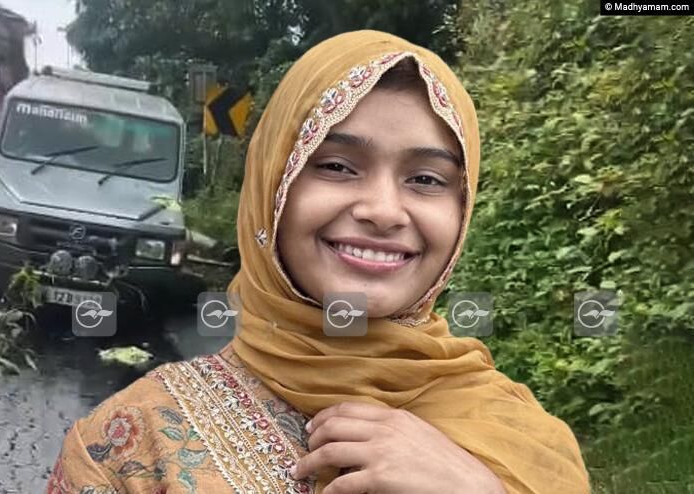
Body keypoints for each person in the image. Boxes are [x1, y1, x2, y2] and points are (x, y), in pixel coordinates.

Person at [46, 30, 590, 494]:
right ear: (272, 188)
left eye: (426, 179)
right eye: (336, 166)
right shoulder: (129, 449)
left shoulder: (524, 441)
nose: (383, 211)